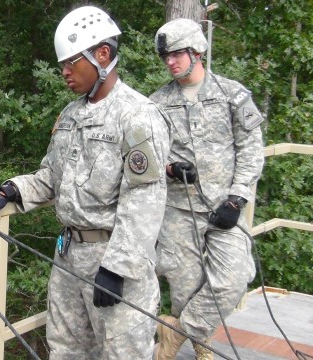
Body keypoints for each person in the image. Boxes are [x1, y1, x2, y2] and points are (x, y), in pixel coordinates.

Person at [0, 6, 170, 359]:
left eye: (71, 63)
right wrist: (12, 190)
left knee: (122, 353)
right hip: (68, 258)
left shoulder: (137, 115)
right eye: (61, 64)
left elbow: (145, 199)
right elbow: (50, 177)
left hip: (114, 261)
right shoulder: (71, 114)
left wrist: (117, 268)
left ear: (103, 55)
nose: (64, 72)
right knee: (65, 351)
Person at [149, 18, 264, 360]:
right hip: (179, 210)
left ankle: (176, 333)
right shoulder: (155, 103)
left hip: (225, 207)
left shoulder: (233, 94)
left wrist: (238, 196)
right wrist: (169, 168)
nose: (171, 62)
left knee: (234, 278)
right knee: (186, 288)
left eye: (177, 54)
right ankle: (202, 346)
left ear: (198, 51)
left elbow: (251, 147)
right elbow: (146, 155)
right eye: (166, 57)